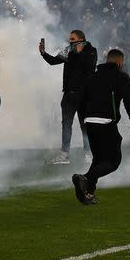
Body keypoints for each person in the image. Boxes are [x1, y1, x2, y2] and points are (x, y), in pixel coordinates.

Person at [72, 49, 130, 205]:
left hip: (89, 123)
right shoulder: (122, 77)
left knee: (99, 159)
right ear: (119, 63)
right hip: (106, 122)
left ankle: (88, 193)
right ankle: (85, 178)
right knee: (113, 161)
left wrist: (84, 121)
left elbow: (80, 102)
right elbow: (129, 103)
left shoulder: (91, 77)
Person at [39, 30, 97, 165]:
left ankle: (88, 153)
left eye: (73, 39)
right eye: (69, 39)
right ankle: (64, 154)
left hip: (85, 95)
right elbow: (53, 61)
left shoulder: (91, 51)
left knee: (85, 125)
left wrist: (79, 52)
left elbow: (89, 65)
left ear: (81, 39)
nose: (70, 42)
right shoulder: (68, 51)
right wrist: (43, 53)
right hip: (69, 95)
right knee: (66, 125)